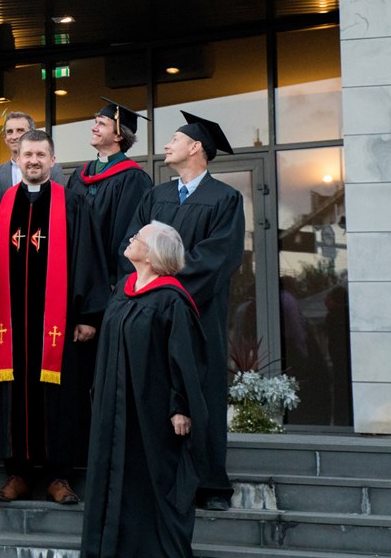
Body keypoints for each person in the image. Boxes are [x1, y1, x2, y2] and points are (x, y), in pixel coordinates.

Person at [120, 111, 244, 512]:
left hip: (196, 314)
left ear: (195, 148)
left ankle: (210, 483)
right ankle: (160, 477)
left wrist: (168, 289)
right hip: (150, 314)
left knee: (199, 392)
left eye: (175, 139)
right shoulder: (156, 195)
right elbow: (132, 242)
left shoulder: (225, 198)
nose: (167, 145)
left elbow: (218, 257)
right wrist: (146, 292)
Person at [0, 130, 107, 505]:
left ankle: (58, 476)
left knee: (60, 397)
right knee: (12, 394)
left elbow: (89, 261)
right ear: (16, 159)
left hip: (59, 325)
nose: (33, 160)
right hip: (9, 325)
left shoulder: (73, 205)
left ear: (52, 160)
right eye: (27, 154)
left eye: (41, 155)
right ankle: (16, 474)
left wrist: (88, 315)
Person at [82, 221, 209, 558]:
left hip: (148, 410)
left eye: (138, 237)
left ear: (152, 255)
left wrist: (180, 405)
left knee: (146, 481)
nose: (131, 238)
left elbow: (185, 357)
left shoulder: (172, 300)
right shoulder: (124, 286)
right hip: (113, 405)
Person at [66, 100, 152, 289]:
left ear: (119, 136)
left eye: (101, 124)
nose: (94, 128)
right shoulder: (80, 175)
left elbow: (128, 231)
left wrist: (117, 280)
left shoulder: (133, 179)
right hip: (74, 274)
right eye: (95, 122)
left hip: (108, 281)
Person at [0, 112, 63, 194]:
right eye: (10, 132)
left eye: (20, 130)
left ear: (32, 134)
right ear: (5, 138)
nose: (14, 137)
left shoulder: (53, 169)